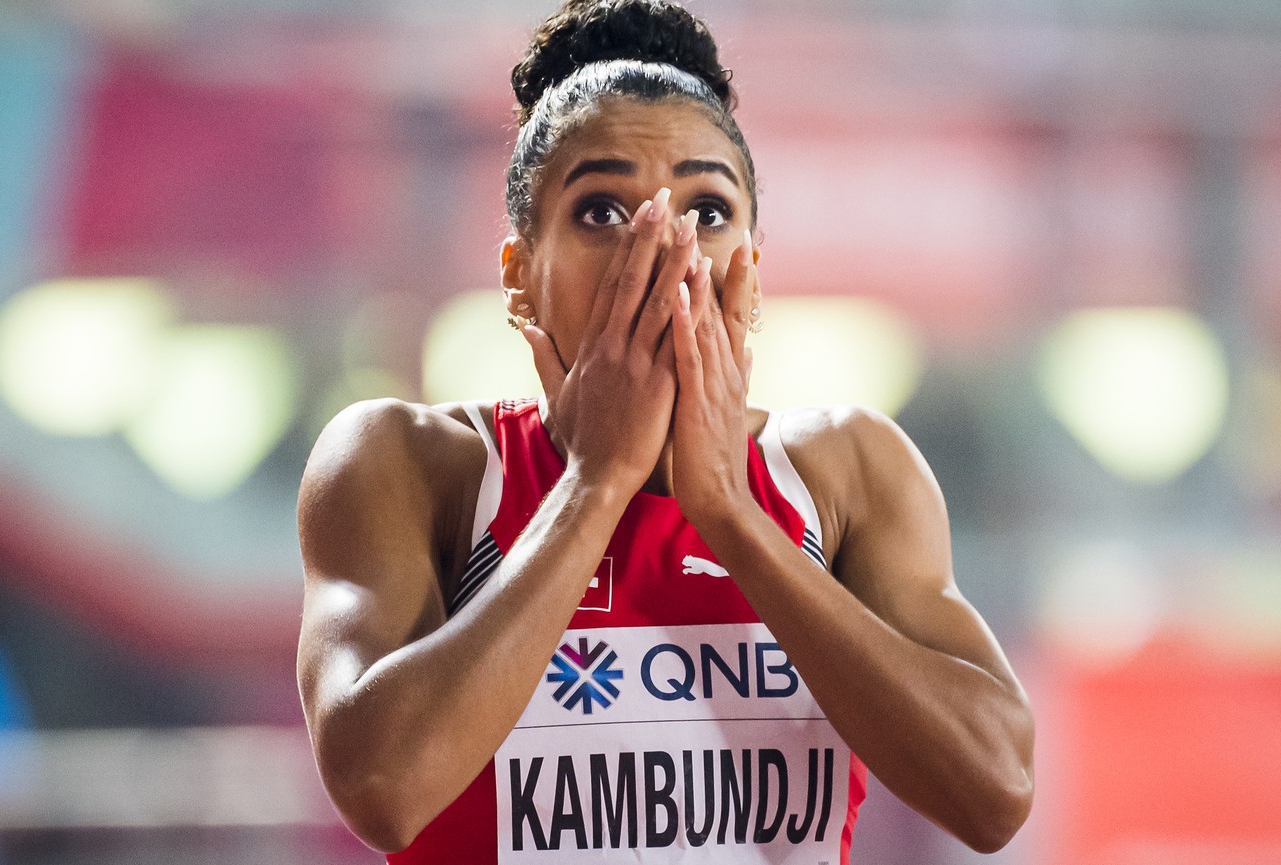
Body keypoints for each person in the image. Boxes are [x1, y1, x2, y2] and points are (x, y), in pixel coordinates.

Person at [296, 1, 1035, 861]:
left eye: (708, 212)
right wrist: (593, 482)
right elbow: (383, 788)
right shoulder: (411, 462)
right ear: (520, 274)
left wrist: (731, 514)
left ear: (750, 274)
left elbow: (997, 791)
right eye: (603, 212)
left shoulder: (844, 470)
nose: (662, 254)